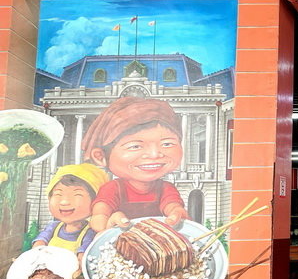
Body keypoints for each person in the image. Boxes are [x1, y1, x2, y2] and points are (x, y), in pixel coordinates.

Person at [81, 97, 189, 233]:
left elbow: (173, 207)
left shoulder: (165, 188)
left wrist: (177, 215)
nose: (154, 155)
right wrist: (107, 223)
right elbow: (99, 216)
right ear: (100, 156)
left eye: (167, 144)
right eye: (135, 146)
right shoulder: (112, 189)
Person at [33, 163, 108, 259]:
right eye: (58, 194)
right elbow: (40, 241)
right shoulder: (53, 227)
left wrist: (81, 259)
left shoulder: (89, 231)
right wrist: (38, 250)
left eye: (77, 195)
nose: (64, 202)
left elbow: (84, 252)